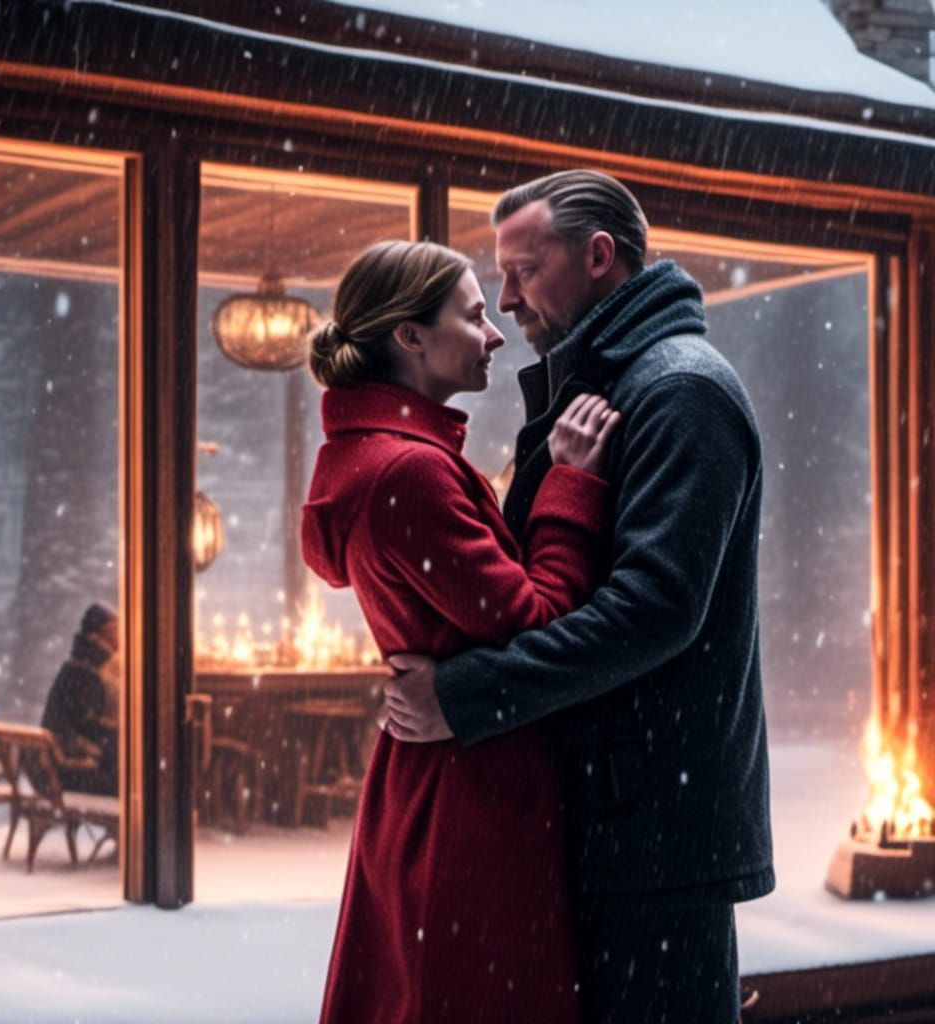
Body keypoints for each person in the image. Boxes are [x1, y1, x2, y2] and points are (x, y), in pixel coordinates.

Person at [383, 170, 775, 1023]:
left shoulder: (679, 392)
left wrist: (466, 696)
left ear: (599, 257)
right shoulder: (605, 389)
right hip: (614, 823)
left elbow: (653, 611)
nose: (506, 297)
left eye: (525, 269)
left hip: (651, 843)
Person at [300, 239, 621, 1023]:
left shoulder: (371, 459)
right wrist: (573, 485)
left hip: (431, 778)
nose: (496, 332)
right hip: (473, 793)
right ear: (409, 336)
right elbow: (542, 616)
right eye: (475, 315)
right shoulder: (410, 472)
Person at [41, 602, 119, 796]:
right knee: (134, 783)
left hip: (67, 765)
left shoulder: (80, 668)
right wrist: (120, 732)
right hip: (71, 771)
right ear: (95, 637)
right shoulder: (83, 673)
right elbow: (86, 723)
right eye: (112, 631)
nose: (118, 637)